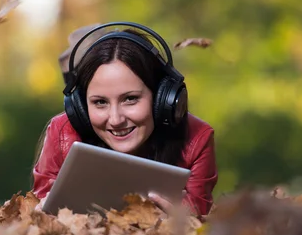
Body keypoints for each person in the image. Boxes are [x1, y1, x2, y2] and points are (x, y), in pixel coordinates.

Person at [32, 22, 218, 216]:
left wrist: (180, 220)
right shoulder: (62, 132)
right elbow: (40, 210)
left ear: (162, 98)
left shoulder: (198, 139)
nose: (115, 119)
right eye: (100, 102)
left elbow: (197, 220)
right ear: (79, 107)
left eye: (130, 99)